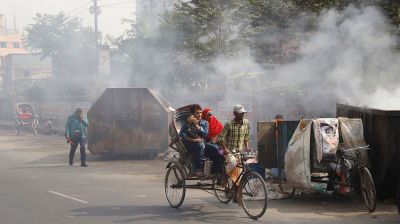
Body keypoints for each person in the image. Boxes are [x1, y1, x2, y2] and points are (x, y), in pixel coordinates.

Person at [219, 104, 251, 203]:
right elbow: (221, 138)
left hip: (240, 151)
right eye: (240, 113)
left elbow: (246, 137)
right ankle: (224, 177)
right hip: (230, 150)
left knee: (240, 174)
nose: (242, 115)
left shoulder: (246, 123)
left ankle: (236, 194)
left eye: (243, 113)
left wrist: (247, 147)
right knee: (232, 163)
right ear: (235, 113)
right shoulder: (229, 124)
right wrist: (225, 148)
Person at [179, 104, 208, 176]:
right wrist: (192, 140)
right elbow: (182, 134)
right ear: (193, 114)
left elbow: (205, 135)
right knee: (199, 146)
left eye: (200, 112)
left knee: (215, 148)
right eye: (197, 113)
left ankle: (216, 171)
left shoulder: (205, 122)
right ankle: (197, 168)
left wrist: (197, 126)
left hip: (201, 141)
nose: (199, 114)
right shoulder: (188, 122)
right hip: (189, 142)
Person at [201, 107, 225, 174]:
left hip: (217, 143)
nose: (211, 116)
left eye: (211, 114)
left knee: (222, 153)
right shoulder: (203, 123)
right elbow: (202, 135)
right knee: (216, 150)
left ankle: (221, 171)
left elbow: (222, 133)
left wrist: (216, 138)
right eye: (208, 114)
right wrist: (209, 139)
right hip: (206, 144)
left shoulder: (216, 122)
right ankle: (215, 170)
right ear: (205, 116)